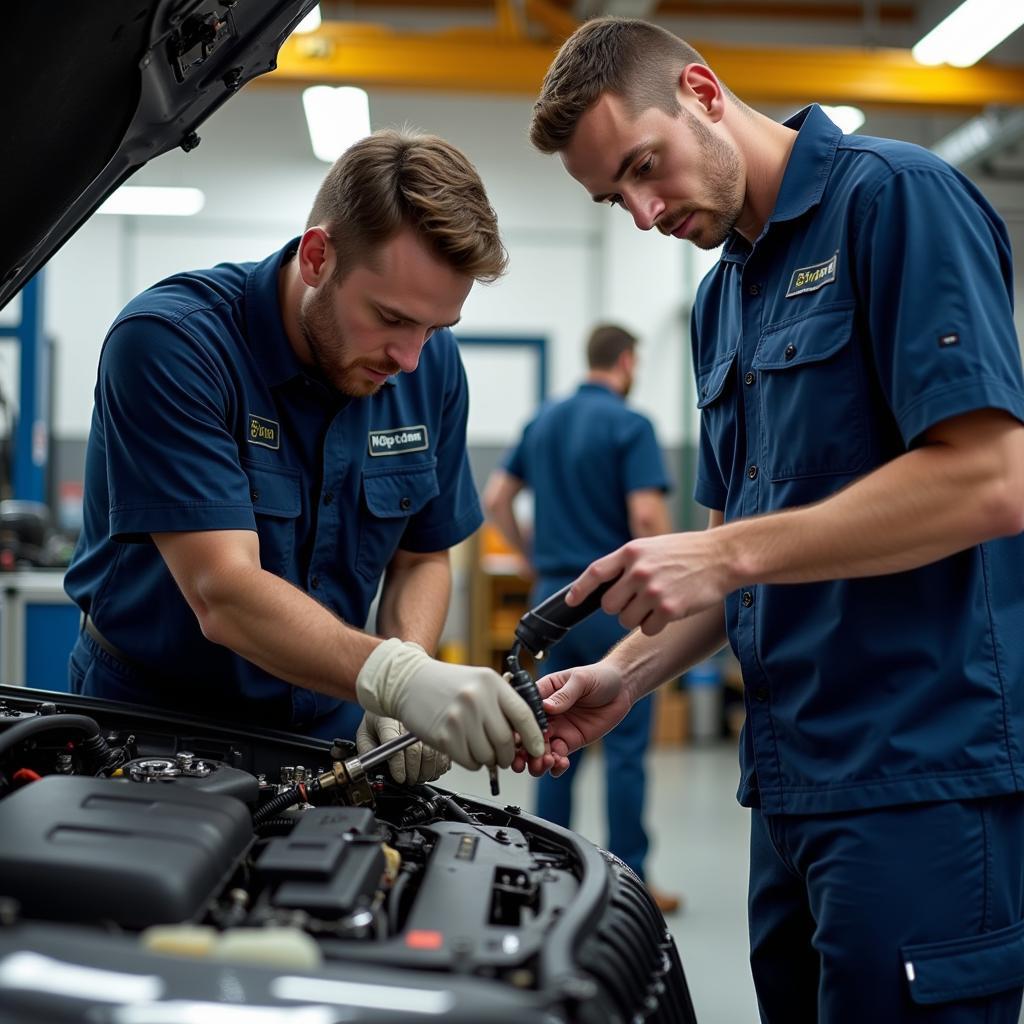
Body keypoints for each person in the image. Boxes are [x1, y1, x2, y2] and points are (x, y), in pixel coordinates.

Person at [518, 16, 1024, 1023]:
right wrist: (622, 674)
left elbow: (990, 480)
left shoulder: (894, 200)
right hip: (788, 780)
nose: (643, 210)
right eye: (612, 197)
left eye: (642, 168)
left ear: (702, 93)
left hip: (916, 772)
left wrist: (724, 550)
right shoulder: (722, 302)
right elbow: (727, 572)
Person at [64, 129, 545, 785]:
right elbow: (223, 591)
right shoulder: (172, 344)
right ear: (318, 257)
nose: (408, 359)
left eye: (434, 329)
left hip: (332, 725)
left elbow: (423, 553)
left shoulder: (430, 369)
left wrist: (404, 672)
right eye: (391, 318)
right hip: (153, 721)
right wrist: (397, 678)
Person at [483, 322, 680, 913]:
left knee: (550, 738)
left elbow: (496, 497)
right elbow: (646, 518)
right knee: (622, 746)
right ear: (626, 362)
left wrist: (527, 556)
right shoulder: (631, 424)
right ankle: (631, 876)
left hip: (552, 601)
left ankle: (548, 867)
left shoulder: (543, 420)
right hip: (615, 604)